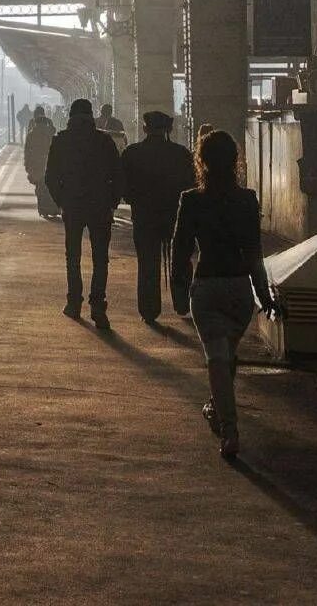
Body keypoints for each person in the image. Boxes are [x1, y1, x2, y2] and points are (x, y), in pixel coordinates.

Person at [172, 130, 278, 458]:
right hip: (239, 292)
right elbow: (254, 253)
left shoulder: (191, 200)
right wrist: (264, 294)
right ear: (236, 161)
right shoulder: (247, 200)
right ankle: (219, 412)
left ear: (201, 161)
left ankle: (228, 428)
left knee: (218, 360)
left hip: (207, 289)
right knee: (224, 358)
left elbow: (180, 250)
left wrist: (179, 287)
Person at [46, 98, 124, 327]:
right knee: (101, 258)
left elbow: (51, 176)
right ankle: (98, 307)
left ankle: (74, 304)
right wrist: (112, 203)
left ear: (70, 116)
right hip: (100, 207)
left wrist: (61, 201)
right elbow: (118, 174)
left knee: (73, 256)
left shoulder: (61, 141)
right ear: (91, 116)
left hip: (73, 206)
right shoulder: (104, 141)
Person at [121, 111, 194, 323]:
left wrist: (133, 200)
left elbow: (124, 185)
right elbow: (191, 184)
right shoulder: (181, 154)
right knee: (180, 259)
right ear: (168, 129)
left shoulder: (132, 153)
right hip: (175, 215)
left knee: (147, 263)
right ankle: (182, 304)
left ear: (145, 129)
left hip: (144, 216)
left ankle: (149, 311)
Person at [23, 106, 59, 218]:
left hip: (36, 165)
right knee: (50, 187)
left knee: (39, 188)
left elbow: (27, 151)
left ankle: (42, 209)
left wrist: (27, 165)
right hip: (50, 164)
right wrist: (50, 122)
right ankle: (52, 209)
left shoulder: (31, 134)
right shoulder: (50, 133)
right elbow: (54, 131)